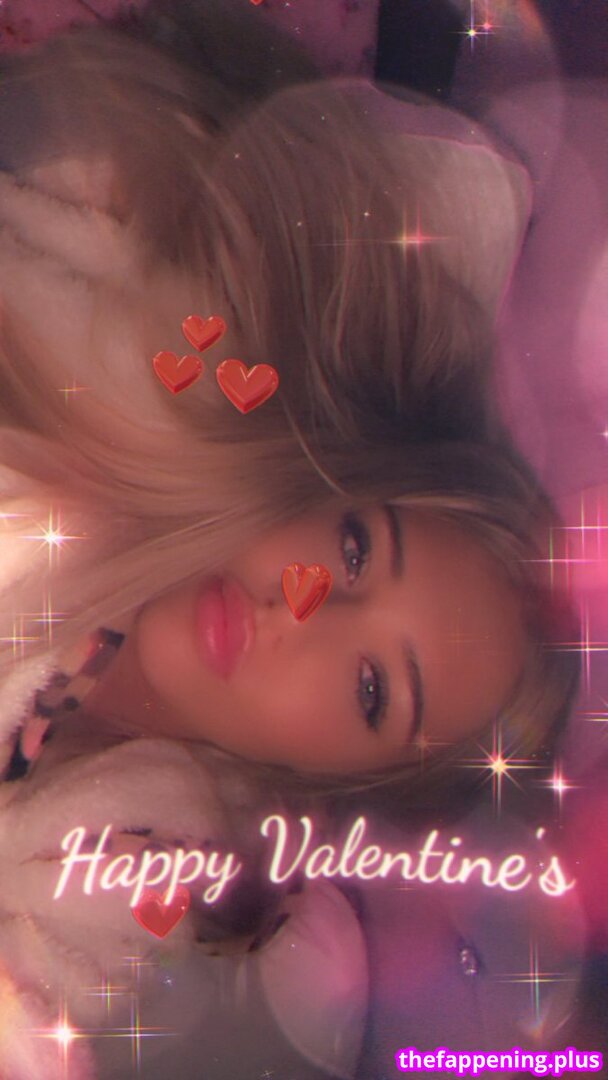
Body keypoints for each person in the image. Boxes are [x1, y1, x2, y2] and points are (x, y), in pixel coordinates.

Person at [0, 1, 581, 1076]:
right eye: (355, 549)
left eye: (370, 688)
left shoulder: (132, 876)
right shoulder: (115, 346)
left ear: (336, 782)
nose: (305, 603)